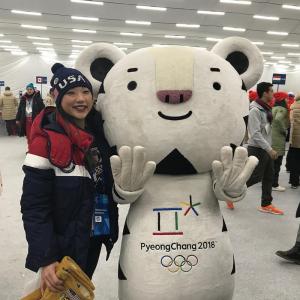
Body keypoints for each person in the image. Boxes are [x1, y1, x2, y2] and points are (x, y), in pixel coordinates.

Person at [20, 63, 119, 294]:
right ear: (57, 96)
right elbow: (34, 207)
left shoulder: (99, 136)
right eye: (71, 93)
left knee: (78, 293)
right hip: (63, 244)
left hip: (93, 233)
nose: (80, 99)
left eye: (85, 92)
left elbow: (105, 183)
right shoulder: (44, 141)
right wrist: (46, 258)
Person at [246, 82, 283, 215]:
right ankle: (231, 193)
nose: (273, 94)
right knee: (255, 177)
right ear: (265, 93)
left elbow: (266, 130)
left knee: (269, 176)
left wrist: (270, 147)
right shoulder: (255, 110)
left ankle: (266, 204)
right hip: (257, 148)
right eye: (271, 91)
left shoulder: (266, 108)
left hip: (266, 148)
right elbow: (255, 133)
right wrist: (269, 149)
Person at [271, 92, 289, 192]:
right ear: (282, 99)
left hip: (271, 138)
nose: (287, 100)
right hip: (278, 139)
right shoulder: (282, 109)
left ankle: (269, 182)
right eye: (286, 98)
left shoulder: (272, 108)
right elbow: (278, 119)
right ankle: (274, 184)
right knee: (277, 163)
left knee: (271, 162)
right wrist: (284, 130)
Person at [286, 93, 300, 189]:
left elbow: (290, 121)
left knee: (295, 160)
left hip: (294, 137)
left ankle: (294, 182)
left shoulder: (293, 106)